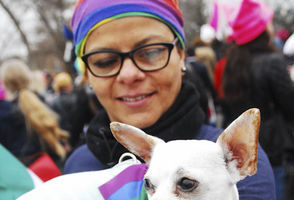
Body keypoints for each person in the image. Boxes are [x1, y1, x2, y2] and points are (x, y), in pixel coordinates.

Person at [64, 0, 276, 199]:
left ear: (181, 55)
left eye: (151, 52)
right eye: (104, 61)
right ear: (86, 74)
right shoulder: (77, 166)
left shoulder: (232, 166)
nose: (128, 74)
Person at [222, 0, 294, 199]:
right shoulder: (272, 62)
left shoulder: (232, 63)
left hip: (242, 146)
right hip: (274, 147)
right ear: (261, 30)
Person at [0, 59, 70, 165]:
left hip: (20, 176)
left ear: (4, 82)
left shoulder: (4, 112)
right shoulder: (43, 103)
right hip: (51, 172)